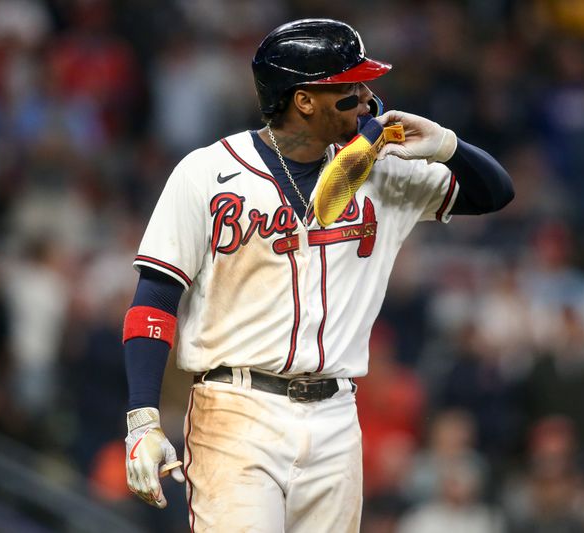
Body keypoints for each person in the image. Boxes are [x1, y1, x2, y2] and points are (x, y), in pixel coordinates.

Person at [122, 18, 514, 532]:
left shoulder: (383, 169)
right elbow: (155, 296)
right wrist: (142, 419)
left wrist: (446, 145)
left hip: (336, 415)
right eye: (349, 88)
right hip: (237, 410)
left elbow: (495, 193)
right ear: (304, 100)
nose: (367, 97)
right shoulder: (206, 172)